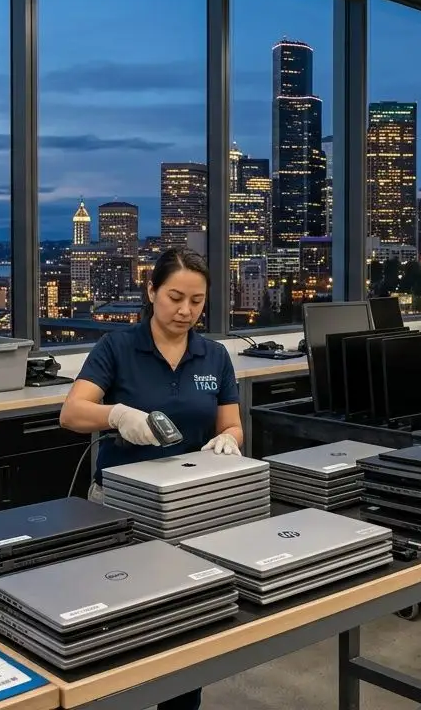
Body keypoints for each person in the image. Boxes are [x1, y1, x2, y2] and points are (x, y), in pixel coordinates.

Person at [58, 247, 241, 710]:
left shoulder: (214, 356)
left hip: (187, 507)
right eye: (175, 297)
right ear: (151, 291)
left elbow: (232, 424)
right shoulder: (118, 348)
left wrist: (230, 441)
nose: (185, 310)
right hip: (123, 507)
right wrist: (117, 415)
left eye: (197, 302)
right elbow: (71, 413)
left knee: (183, 626)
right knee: (116, 624)